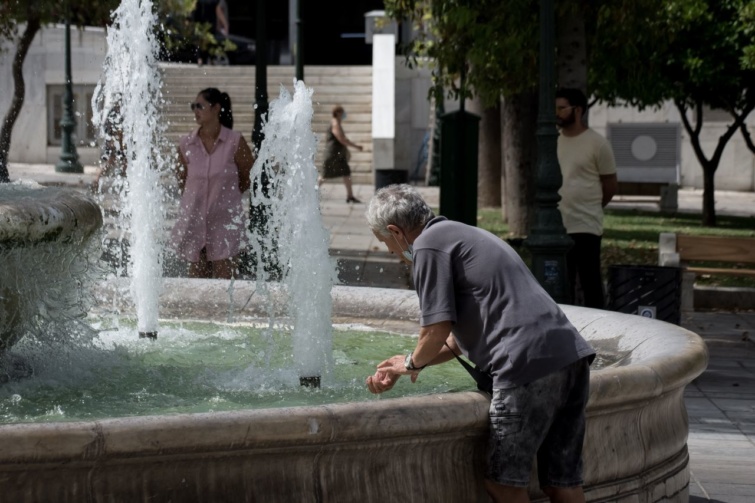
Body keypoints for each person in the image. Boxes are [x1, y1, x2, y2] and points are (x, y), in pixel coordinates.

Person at [364, 184, 595, 503]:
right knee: (560, 481)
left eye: (386, 243)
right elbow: (457, 340)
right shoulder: (461, 233)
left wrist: (413, 363)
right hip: (570, 355)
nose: (392, 252)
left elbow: (434, 330)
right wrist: (409, 362)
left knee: (504, 484)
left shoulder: (428, 247)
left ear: (396, 231)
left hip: (525, 365)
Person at [170, 88, 254, 279]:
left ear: (216, 108)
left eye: (200, 106)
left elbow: (247, 176)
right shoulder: (186, 144)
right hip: (195, 220)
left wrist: (226, 197)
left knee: (225, 284)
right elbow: (182, 181)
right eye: (194, 106)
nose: (195, 111)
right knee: (196, 285)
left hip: (224, 223)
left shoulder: (234, 142)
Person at [556, 87, 618, 309]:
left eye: (562, 108)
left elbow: (609, 183)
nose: (557, 112)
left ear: (578, 110)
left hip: (586, 224)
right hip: (558, 225)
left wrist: (593, 204)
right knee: (562, 283)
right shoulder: (553, 140)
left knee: (590, 281)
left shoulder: (598, 143)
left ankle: (600, 328)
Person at [319, 105, 363, 203]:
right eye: (343, 112)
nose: (344, 114)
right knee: (324, 175)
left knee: (346, 173)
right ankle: (310, 192)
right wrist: (356, 146)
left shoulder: (337, 122)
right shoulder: (335, 124)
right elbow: (342, 139)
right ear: (338, 113)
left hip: (338, 155)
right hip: (332, 155)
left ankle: (350, 196)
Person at [192, 0, 229, 66]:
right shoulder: (213, 1)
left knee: (199, 42)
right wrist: (225, 24)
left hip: (200, 24)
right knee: (209, 42)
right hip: (210, 24)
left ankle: (200, 58)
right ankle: (207, 59)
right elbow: (218, 11)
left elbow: (194, 10)